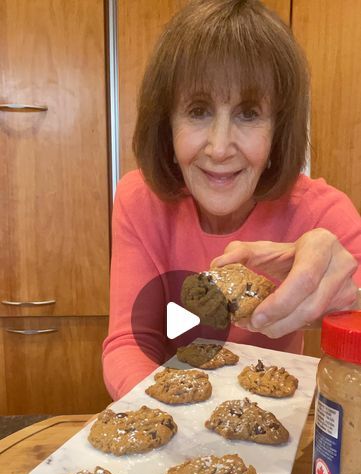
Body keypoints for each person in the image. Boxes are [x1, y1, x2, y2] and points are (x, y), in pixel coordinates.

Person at [103, 0, 361, 401]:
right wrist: (168, 415)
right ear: (166, 123)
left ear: (278, 130)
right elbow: (128, 343)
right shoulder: (140, 202)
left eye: (248, 113)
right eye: (198, 110)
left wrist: (352, 298)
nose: (220, 148)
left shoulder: (323, 215)